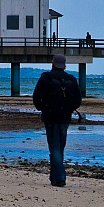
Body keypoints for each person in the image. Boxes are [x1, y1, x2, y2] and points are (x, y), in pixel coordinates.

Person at [32, 54, 82, 187]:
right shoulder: (71, 79)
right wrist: (69, 108)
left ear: (53, 63)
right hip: (65, 117)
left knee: (54, 148)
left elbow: (36, 97)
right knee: (60, 147)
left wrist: (42, 108)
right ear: (64, 65)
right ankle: (55, 176)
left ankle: (59, 177)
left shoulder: (45, 77)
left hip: (50, 117)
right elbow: (78, 100)